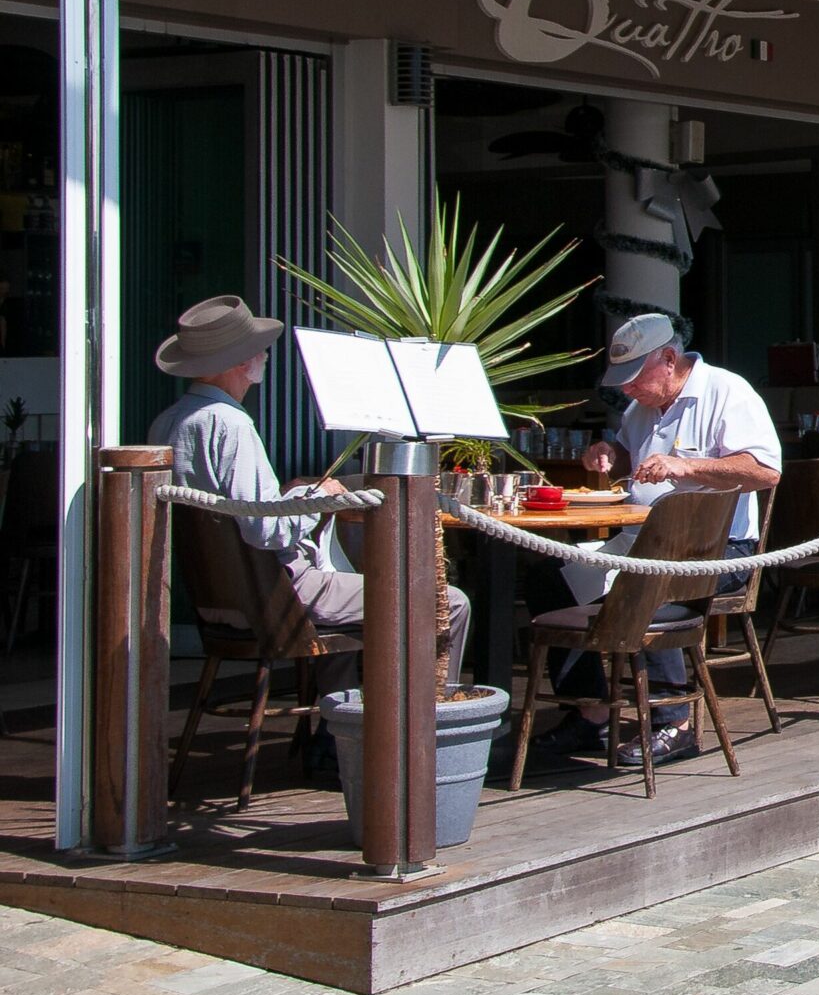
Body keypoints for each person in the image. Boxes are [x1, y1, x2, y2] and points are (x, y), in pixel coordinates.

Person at [146, 295, 471, 691]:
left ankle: (333, 735)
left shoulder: (168, 422)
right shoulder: (230, 424)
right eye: (258, 351)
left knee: (353, 589)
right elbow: (265, 531)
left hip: (220, 599)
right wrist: (319, 501)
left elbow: (232, 508)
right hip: (277, 593)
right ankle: (433, 726)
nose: (264, 356)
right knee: (446, 600)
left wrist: (291, 495)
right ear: (240, 363)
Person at [530, 312, 780, 769]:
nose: (626, 389)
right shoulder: (641, 406)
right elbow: (630, 453)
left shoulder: (727, 391)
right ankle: (589, 711)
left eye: (634, 378)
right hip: (639, 542)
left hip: (716, 550)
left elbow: (764, 471)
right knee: (549, 577)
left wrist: (687, 466)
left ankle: (674, 721)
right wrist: (609, 453)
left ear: (669, 360)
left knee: (644, 586)